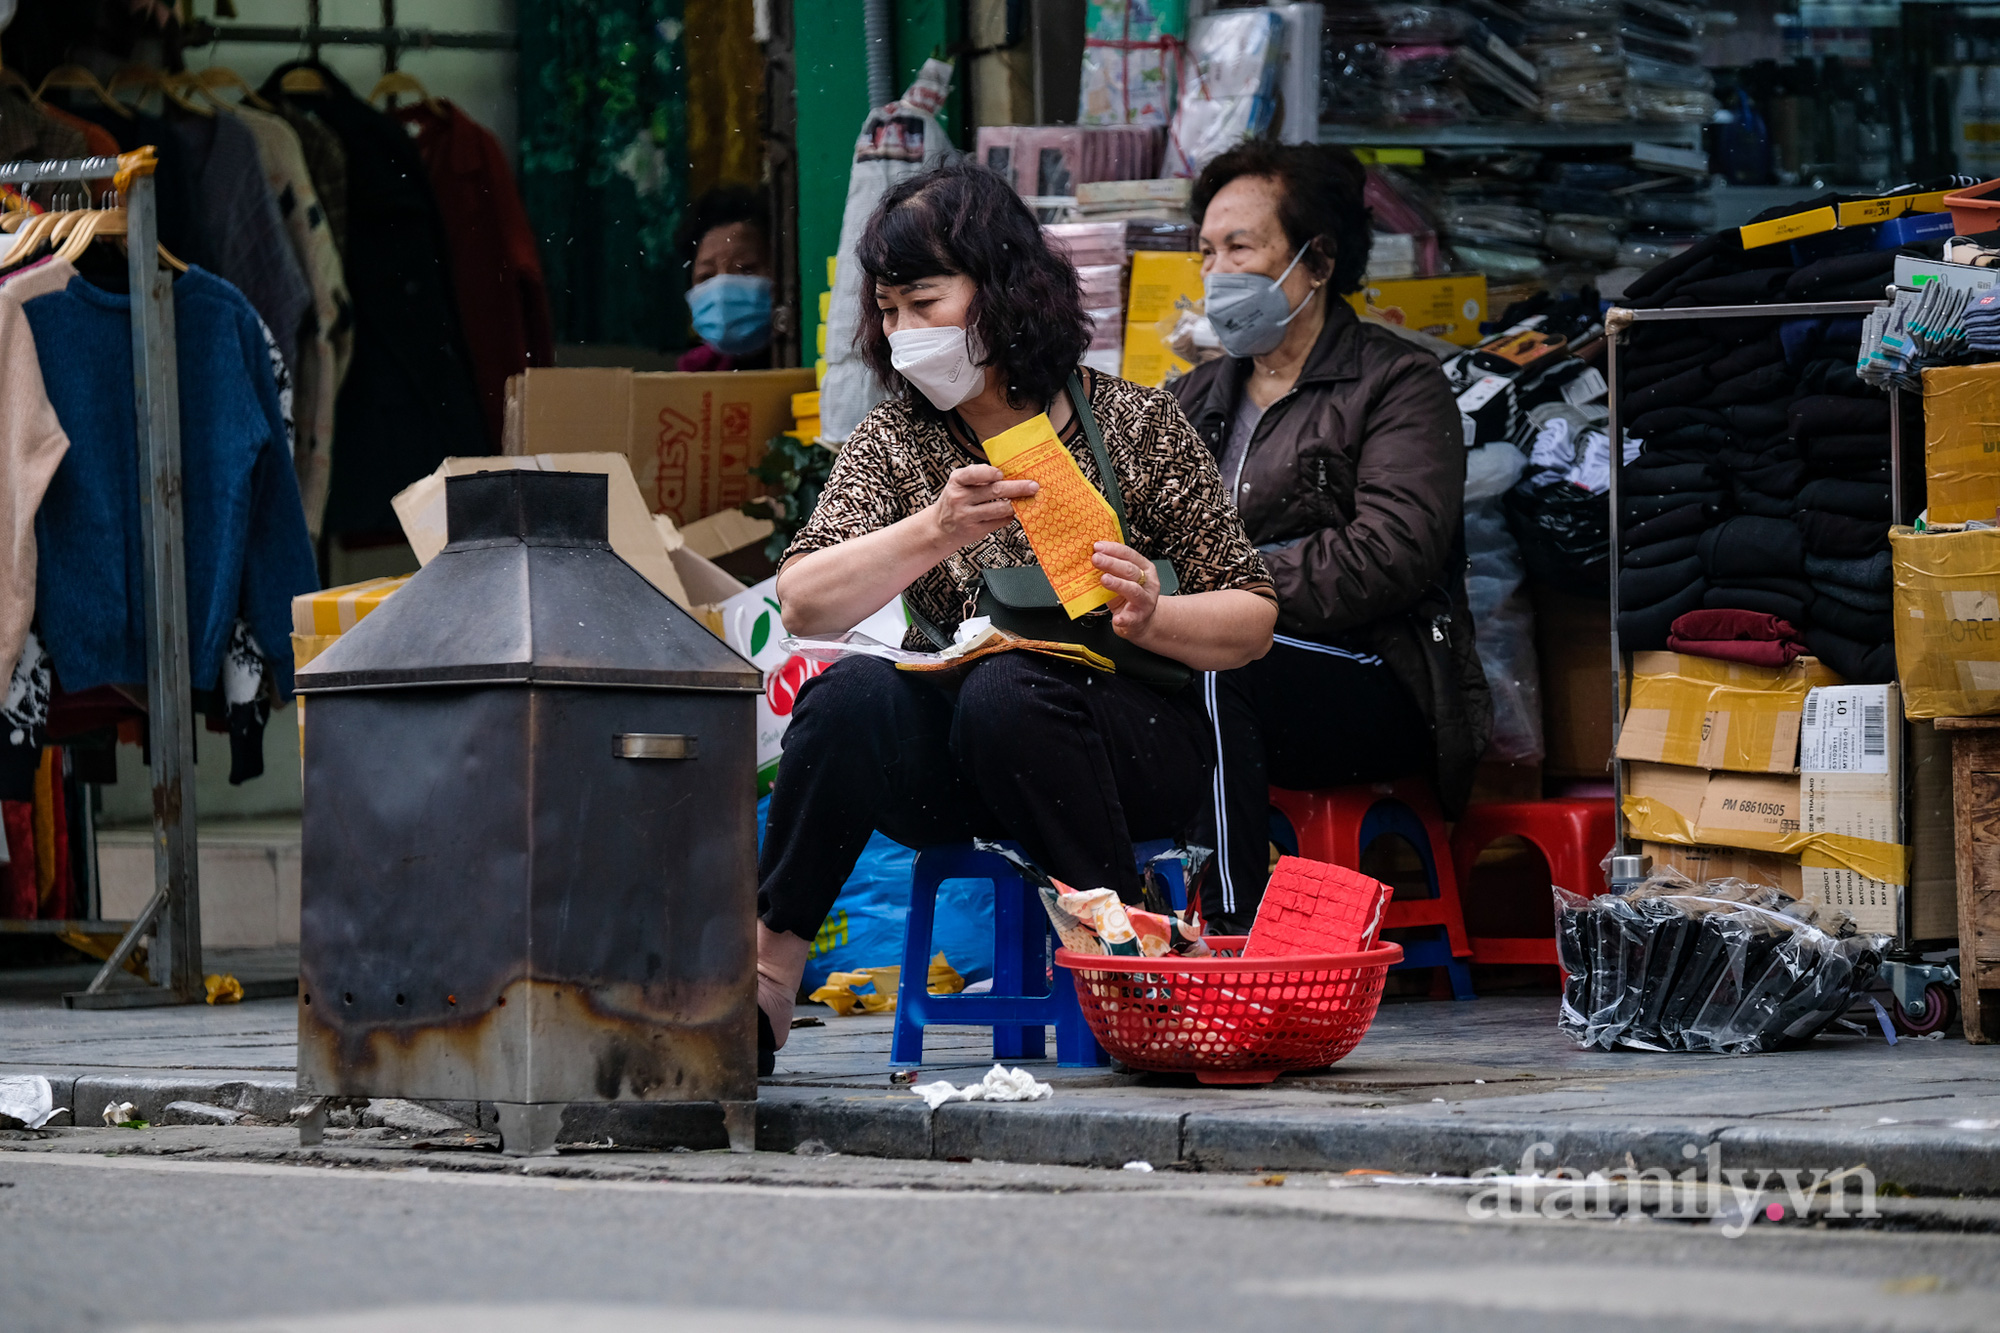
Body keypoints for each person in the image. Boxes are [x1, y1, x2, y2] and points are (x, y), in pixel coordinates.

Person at [755, 158, 1277, 1071]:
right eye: (887, 310)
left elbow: (1252, 618)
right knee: (845, 699)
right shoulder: (897, 441)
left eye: (925, 302)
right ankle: (763, 990)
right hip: (965, 764)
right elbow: (803, 597)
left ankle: (1127, 968)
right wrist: (934, 529)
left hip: (1131, 748)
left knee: (1007, 688)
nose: (905, 330)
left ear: (1001, 291)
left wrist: (1153, 614)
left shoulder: (1134, 424)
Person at [1171, 141, 1490, 934]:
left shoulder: (1398, 384)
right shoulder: (1193, 395)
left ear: (1316, 261)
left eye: (1240, 247)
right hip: (1232, 659)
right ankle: (1123, 929)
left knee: (1217, 665)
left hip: (1376, 675)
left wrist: (1227, 599)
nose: (1216, 271)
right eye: (1206, 251)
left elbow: (1392, 552)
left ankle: (1231, 941)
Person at [676, 185, 775, 370]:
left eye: (746, 269)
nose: (722, 290)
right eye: (706, 277)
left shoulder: (815, 360)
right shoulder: (694, 376)